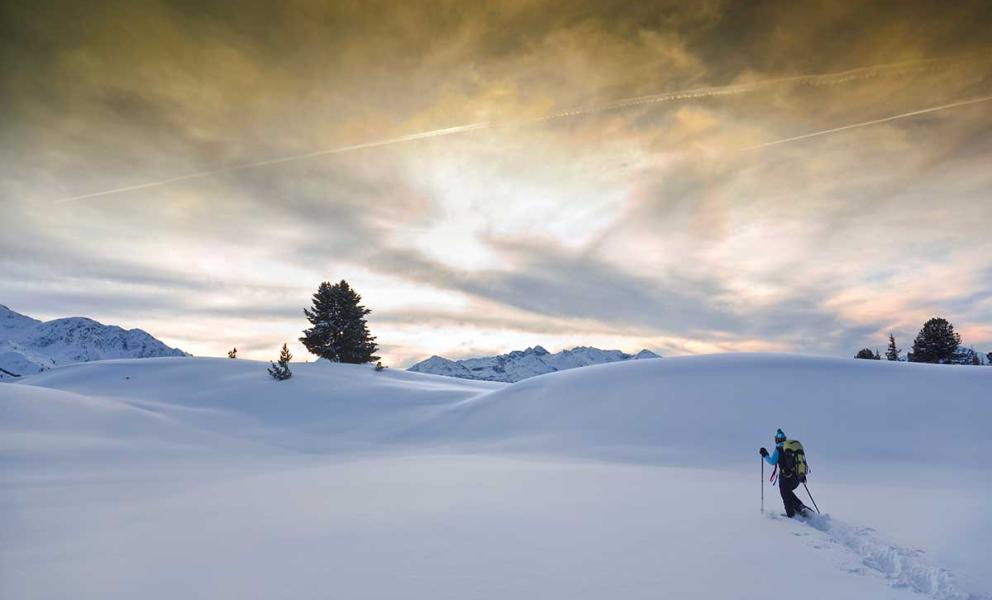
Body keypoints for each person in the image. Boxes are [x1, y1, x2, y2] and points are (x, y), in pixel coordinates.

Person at [760, 429, 810, 518]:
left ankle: (791, 516)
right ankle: (800, 507)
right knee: (788, 493)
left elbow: (772, 462)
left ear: (777, 439)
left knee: (786, 496)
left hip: (786, 477)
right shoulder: (791, 446)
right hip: (797, 478)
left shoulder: (779, 447)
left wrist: (765, 454)